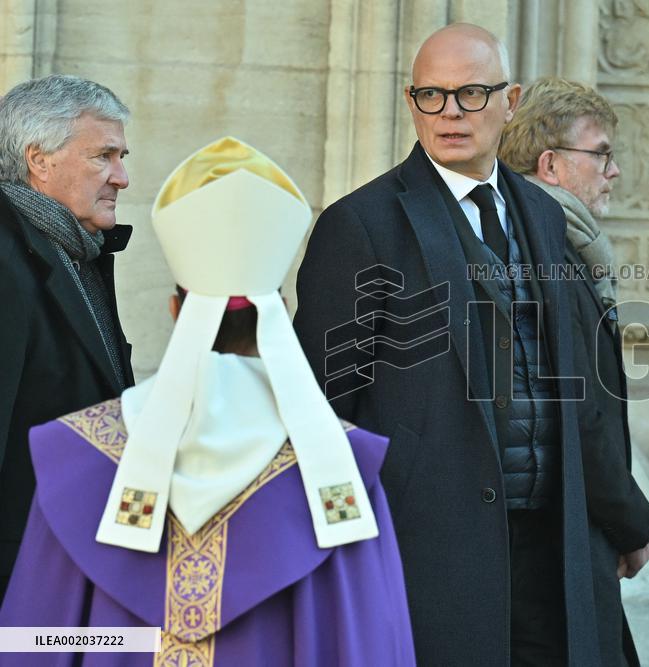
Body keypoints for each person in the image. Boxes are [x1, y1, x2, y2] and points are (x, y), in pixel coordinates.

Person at [0, 137, 416, 666]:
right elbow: (368, 641)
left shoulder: (82, 456)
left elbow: (37, 642)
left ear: (177, 308)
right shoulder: (336, 474)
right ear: (279, 310)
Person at [295, 23, 603, 666]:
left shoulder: (545, 217)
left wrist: (608, 517)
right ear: (412, 104)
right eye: (431, 97)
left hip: (549, 546)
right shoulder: (359, 224)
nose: (450, 114)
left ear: (510, 101)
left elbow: (575, 379)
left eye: (470, 94)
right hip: (426, 549)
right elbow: (322, 406)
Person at [500, 77, 649, 666]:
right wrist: (632, 523)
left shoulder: (565, 251)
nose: (612, 170)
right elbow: (577, 410)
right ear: (551, 165)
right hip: (550, 553)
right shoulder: (546, 261)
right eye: (600, 153)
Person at [0, 74, 134, 603]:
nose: (122, 177)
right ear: (39, 160)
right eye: (103, 156)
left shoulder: (80, 250)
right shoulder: (6, 262)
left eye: (122, 156)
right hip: (21, 574)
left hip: (71, 562)